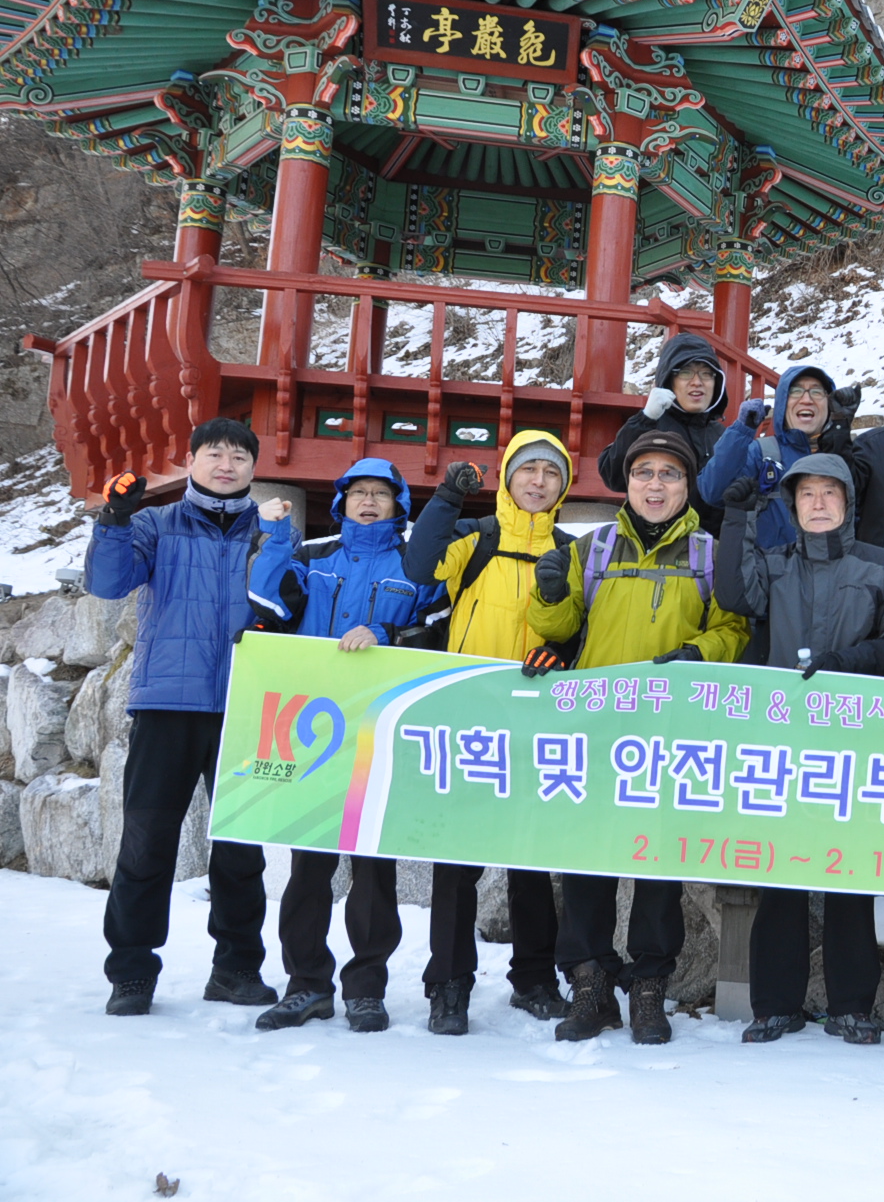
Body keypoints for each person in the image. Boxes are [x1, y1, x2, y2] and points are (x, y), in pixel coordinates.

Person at [526, 430, 751, 1045]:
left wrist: (699, 652)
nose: (656, 484)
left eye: (669, 474)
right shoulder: (593, 549)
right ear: (626, 484)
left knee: (658, 867)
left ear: (688, 486)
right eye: (643, 472)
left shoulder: (709, 554)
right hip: (597, 730)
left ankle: (650, 985)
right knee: (587, 864)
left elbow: (734, 628)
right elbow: (560, 628)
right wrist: (549, 594)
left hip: (670, 735)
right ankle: (591, 984)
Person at [714, 453, 884, 1046]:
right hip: (784, 741)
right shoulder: (775, 563)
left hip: (855, 741)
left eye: (831, 492)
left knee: (849, 876)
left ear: (848, 503)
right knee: (780, 873)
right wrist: (737, 517)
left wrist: (845, 664)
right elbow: (733, 595)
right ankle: (775, 1005)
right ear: (793, 505)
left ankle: (852, 1005)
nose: (819, 502)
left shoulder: (882, 565)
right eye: (808, 493)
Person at [89, 418, 276, 1017]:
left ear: (253, 468)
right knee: (146, 843)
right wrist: (115, 520)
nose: (227, 465)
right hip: (167, 704)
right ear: (191, 460)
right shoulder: (155, 524)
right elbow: (108, 584)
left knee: (241, 850)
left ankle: (237, 969)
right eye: (215, 454)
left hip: (247, 708)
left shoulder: (270, 531)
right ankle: (131, 973)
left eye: (239, 457)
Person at [246, 459, 439, 1032]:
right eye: (359, 493)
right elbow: (270, 604)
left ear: (399, 505)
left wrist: (386, 635)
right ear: (341, 502)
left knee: (374, 870)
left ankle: (366, 989)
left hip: (383, 731)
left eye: (381, 493)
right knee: (308, 867)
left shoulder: (417, 564)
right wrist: (275, 537)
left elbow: (438, 630)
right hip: (313, 732)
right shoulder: (313, 556)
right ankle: (306, 985)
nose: (369, 502)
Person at [402, 430, 579, 1034]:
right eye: (528, 469)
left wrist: (561, 653)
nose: (538, 481)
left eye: (551, 473)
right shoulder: (475, 537)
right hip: (469, 719)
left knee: (532, 860)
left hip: (538, 723)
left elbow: (578, 625)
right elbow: (419, 566)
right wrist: (446, 499)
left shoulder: (572, 551)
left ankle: (535, 979)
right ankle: (448, 984)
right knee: (457, 861)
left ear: (563, 487)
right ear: (507, 477)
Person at [698, 363, 860, 550]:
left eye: (816, 392)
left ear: (829, 403)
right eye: (795, 391)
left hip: (836, 566)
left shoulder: (845, 453)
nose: (806, 399)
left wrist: (840, 428)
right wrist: (741, 431)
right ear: (783, 403)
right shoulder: (761, 453)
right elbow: (712, 491)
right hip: (771, 567)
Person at [598, 330, 731, 521]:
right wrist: (645, 419)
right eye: (685, 372)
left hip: (710, 539)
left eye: (706, 373)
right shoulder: (649, 425)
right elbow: (613, 476)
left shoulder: (724, 436)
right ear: (669, 379)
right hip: (652, 537)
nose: (697, 382)